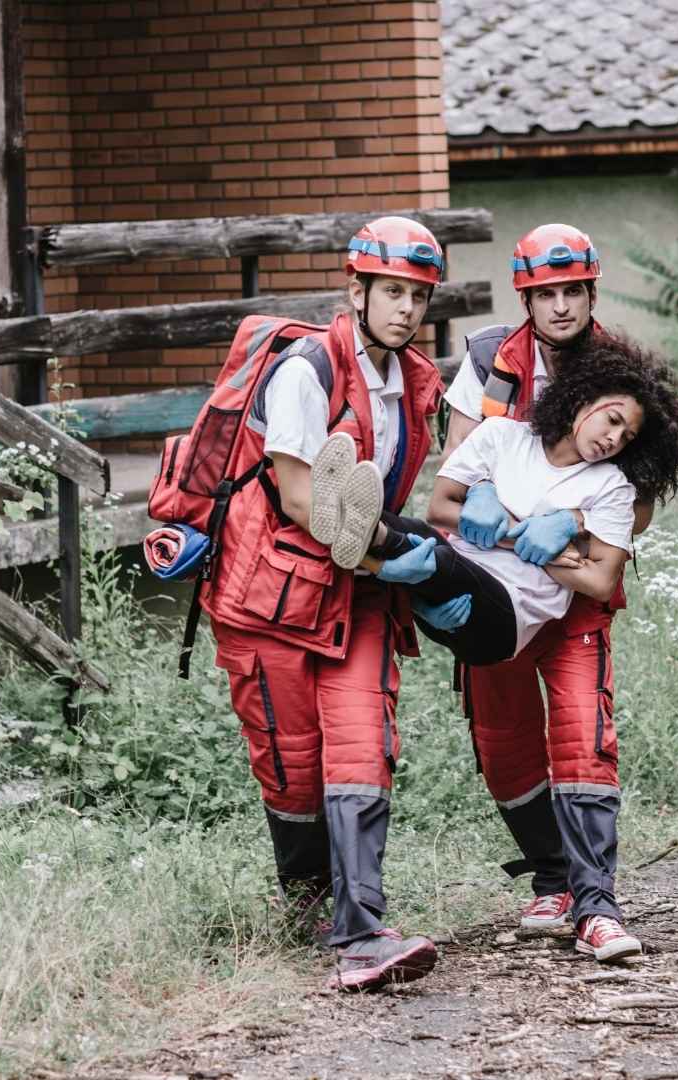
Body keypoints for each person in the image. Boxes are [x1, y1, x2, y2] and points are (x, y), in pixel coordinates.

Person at [197, 215, 447, 991]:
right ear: (357, 290)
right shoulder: (307, 370)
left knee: (362, 745)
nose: (406, 309)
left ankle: (361, 928)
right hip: (273, 594)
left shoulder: (416, 384)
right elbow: (302, 496)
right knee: (293, 765)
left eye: (418, 295)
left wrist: (414, 560)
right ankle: (308, 906)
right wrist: (385, 549)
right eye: (392, 292)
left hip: (362, 591)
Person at [436, 224, 655, 960]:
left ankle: (598, 906)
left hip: (576, 589)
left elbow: (645, 497)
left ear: (592, 292)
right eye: (545, 293)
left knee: (583, 739)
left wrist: (576, 516)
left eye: (573, 291)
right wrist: (489, 506)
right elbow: (457, 468)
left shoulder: (623, 371)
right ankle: (552, 876)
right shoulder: (486, 361)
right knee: (502, 742)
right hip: (496, 585)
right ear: (524, 295)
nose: (560, 306)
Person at [309, 338, 678, 685]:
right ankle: (342, 513)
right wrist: (542, 547)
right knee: (415, 533)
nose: (613, 438)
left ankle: (367, 535)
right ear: (583, 398)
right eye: (613, 420)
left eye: (627, 437)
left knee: (435, 554)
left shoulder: (611, 487)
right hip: (440, 603)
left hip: (504, 621)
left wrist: (505, 532)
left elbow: (602, 581)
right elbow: (439, 508)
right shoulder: (501, 437)